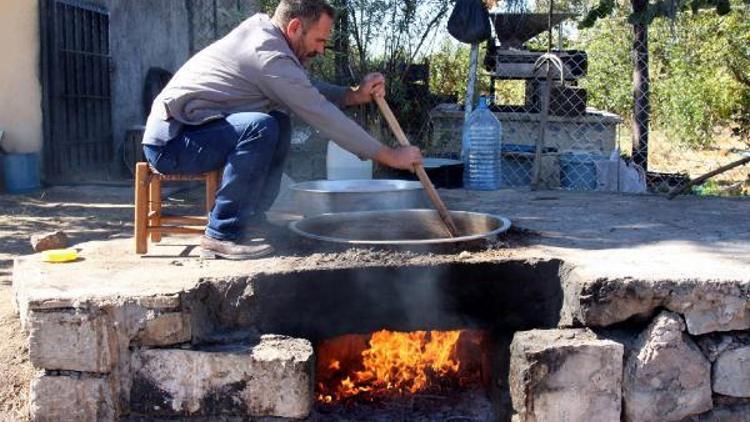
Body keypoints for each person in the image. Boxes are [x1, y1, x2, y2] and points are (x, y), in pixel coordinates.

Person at [142, 0, 423, 260]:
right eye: (319, 40)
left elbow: (304, 88)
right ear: (295, 27)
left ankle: (251, 219)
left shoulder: (270, 40)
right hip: (172, 143)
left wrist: (352, 95)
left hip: (199, 131)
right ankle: (221, 233)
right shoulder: (267, 54)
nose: (321, 50)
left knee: (277, 121)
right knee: (260, 127)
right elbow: (322, 114)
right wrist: (389, 155)